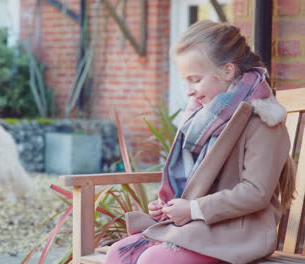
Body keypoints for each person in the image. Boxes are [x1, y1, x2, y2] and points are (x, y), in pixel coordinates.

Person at [104, 20, 296, 264]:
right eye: (186, 81)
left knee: (153, 260)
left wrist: (193, 209)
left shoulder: (263, 120)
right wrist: (169, 206)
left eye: (195, 79)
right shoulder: (202, 119)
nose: (189, 91)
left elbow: (255, 193)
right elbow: (194, 180)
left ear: (227, 71)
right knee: (118, 254)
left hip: (237, 233)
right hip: (198, 225)